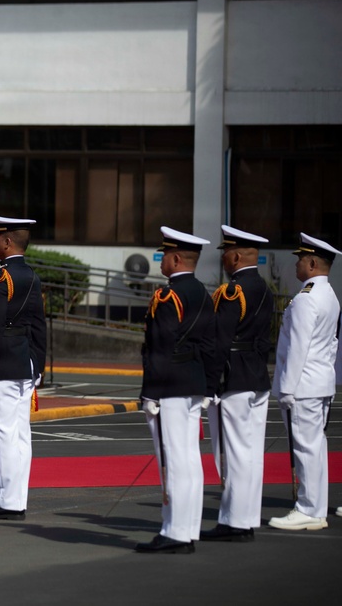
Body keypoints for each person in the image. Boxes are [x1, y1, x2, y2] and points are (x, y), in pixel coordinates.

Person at [135, 226, 218, 554]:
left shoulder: (168, 296)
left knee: (173, 458)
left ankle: (175, 531)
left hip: (169, 386)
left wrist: (150, 392)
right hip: (193, 383)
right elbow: (211, 346)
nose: (160, 260)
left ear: (176, 258)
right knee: (190, 459)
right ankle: (188, 527)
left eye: (163, 255)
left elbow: (160, 347)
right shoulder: (203, 292)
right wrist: (209, 385)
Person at [201, 226, 273, 542]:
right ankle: (246, 516)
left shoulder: (233, 291)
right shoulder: (264, 289)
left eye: (226, 254)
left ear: (236, 255)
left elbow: (220, 341)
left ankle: (235, 522)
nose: (224, 260)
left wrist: (209, 382)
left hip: (234, 378)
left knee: (234, 454)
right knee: (252, 453)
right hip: (256, 375)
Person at [0, 216, 46, 520]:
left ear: (7, 242)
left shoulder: (0, 277)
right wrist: (38, 366)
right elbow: (39, 327)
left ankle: (7, 502)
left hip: (2, 365)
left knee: (4, 436)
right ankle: (17, 499)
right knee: (20, 436)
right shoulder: (32, 276)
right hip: (25, 364)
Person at [268, 233, 341, 531]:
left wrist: (287, 388)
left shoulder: (306, 299)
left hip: (303, 387)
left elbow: (297, 348)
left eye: (300, 258)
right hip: (320, 383)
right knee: (315, 448)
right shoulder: (330, 296)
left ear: (312, 263)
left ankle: (309, 509)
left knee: (305, 448)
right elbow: (332, 345)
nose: (296, 263)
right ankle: (316, 507)